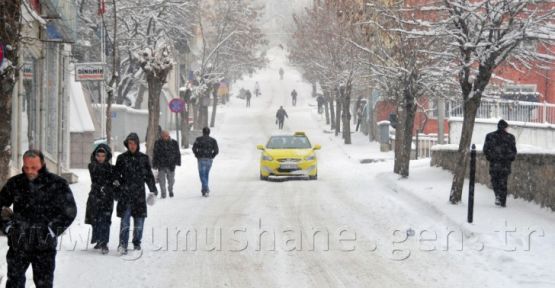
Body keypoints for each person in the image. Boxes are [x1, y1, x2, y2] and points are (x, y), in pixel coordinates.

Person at [0, 149, 77, 288]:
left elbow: (69, 212)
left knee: (44, 284)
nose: (29, 171)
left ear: (43, 164)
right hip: (18, 243)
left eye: (34, 167)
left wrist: (50, 230)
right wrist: (8, 227)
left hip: (44, 246)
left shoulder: (57, 184)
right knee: (14, 284)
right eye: (26, 167)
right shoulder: (15, 183)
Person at [114, 133, 158, 254]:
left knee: (139, 222)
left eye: (134, 143)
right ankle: (122, 245)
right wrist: (117, 190)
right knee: (125, 222)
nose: (132, 146)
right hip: (125, 195)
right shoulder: (121, 158)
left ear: (138, 144)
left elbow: (148, 176)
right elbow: (116, 176)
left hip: (139, 195)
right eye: (130, 143)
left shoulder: (143, 159)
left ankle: (137, 242)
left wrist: (153, 189)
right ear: (127, 144)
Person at [85, 144, 116, 255]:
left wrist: (114, 185)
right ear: (95, 155)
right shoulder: (92, 166)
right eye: (98, 155)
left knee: (106, 220)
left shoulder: (112, 169)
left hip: (107, 197)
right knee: (96, 219)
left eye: (103, 155)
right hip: (95, 197)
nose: (101, 158)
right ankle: (98, 239)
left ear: (107, 156)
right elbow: (97, 177)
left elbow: (114, 181)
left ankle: (104, 243)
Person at [483, 119, 517, 207]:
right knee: (503, 182)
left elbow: (486, 150)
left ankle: (498, 196)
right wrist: (509, 158)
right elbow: (513, 151)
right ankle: (502, 201)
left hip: (494, 163)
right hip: (505, 164)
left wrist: (491, 157)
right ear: (506, 127)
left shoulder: (490, 136)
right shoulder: (510, 137)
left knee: (495, 181)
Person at [153, 130, 181, 198]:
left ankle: (170, 190)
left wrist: (178, 161)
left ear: (169, 135)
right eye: (164, 135)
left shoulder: (174, 143)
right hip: (161, 164)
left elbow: (177, 153)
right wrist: (155, 163)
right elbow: (155, 154)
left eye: (167, 135)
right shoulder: (157, 143)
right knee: (161, 181)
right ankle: (163, 193)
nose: (166, 137)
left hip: (171, 164)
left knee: (171, 180)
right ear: (161, 136)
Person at [192, 127, 219, 197]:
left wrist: (197, 154)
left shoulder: (198, 139)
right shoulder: (213, 140)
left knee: (202, 175)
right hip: (209, 159)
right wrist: (212, 156)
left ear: (202, 132)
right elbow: (216, 151)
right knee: (206, 174)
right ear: (209, 132)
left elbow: (194, 148)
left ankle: (206, 188)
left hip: (201, 158)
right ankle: (204, 190)